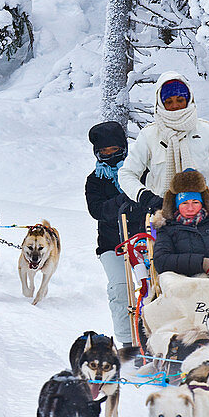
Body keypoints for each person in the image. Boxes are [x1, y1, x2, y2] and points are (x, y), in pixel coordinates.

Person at [118, 72, 209, 216]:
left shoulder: (206, 131)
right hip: (163, 214)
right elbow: (127, 173)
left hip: (206, 212)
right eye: (169, 102)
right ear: (160, 103)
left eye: (180, 100)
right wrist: (146, 198)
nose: (175, 106)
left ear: (188, 99)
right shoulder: (149, 135)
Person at [85, 121, 145, 351]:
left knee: (151, 286)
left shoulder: (140, 171)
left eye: (115, 151)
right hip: (112, 243)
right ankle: (128, 341)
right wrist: (122, 200)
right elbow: (96, 210)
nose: (110, 156)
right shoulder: (95, 180)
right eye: (104, 152)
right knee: (121, 288)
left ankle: (156, 336)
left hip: (143, 239)